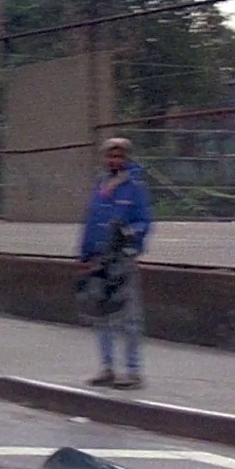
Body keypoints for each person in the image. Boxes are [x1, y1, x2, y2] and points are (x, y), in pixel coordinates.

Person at [78, 137, 153, 390]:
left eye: (119, 156)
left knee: (130, 317)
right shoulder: (101, 185)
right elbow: (91, 220)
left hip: (122, 260)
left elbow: (145, 220)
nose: (114, 161)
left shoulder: (135, 187)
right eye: (110, 156)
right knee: (103, 316)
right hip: (100, 260)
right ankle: (107, 369)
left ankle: (133, 372)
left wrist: (130, 234)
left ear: (127, 158)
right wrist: (85, 255)